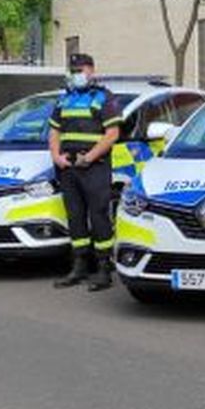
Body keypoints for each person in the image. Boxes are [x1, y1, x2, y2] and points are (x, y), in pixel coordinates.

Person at [50, 53, 123, 291]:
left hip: (94, 167)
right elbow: (54, 132)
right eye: (73, 70)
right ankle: (79, 265)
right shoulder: (65, 99)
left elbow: (112, 134)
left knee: (99, 215)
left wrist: (89, 157)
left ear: (91, 70)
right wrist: (56, 156)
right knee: (75, 216)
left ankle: (104, 268)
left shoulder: (104, 97)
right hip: (69, 167)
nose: (76, 74)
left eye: (80, 69)